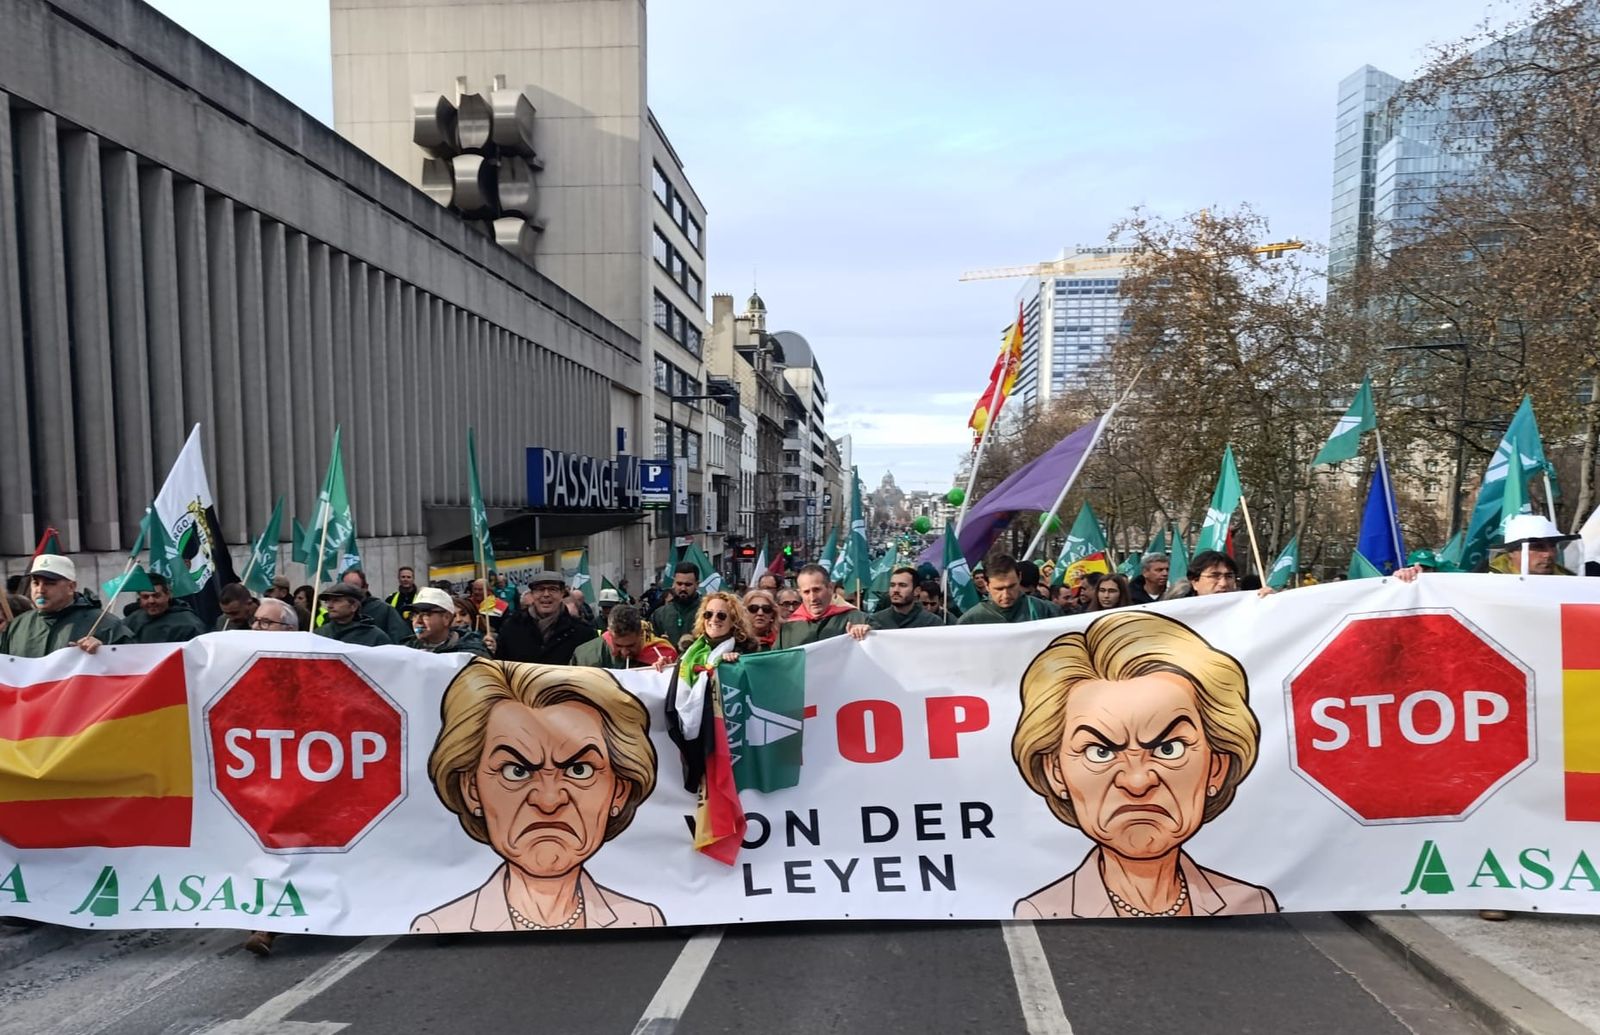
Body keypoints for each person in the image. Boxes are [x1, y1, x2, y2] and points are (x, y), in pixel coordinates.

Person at [1011, 609, 1277, 918]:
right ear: (1055, 771)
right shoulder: (1043, 911)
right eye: (1101, 752)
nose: (1137, 782)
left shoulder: (1253, 903)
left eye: (1168, 748)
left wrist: (1269, 615)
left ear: (1216, 765)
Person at [412, 660, 664, 932]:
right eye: (516, 771)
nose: (548, 801)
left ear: (620, 790)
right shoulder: (437, 925)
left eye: (579, 770)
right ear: (471, 789)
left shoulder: (643, 917)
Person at [240, 597, 302, 958]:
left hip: (302, 770)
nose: (256, 628)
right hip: (254, 771)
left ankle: (268, 925)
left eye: (266, 623)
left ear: (290, 632)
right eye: (256, 622)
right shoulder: (232, 661)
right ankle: (265, 922)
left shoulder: (315, 664)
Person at [0, 555, 129, 656]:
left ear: (71, 587)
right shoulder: (17, 626)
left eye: (50, 583)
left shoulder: (106, 624)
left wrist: (106, 652)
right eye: (35, 583)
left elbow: (131, 669)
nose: (40, 590)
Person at [495, 570, 596, 665]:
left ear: (562, 594)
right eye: (540, 589)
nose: (546, 594)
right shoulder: (512, 627)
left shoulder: (582, 632)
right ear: (532, 594)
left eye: (553, 589)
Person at [777, 564, 869, 648]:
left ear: (830, 588)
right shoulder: (788, 628)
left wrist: (868, 634)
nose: (813, 598)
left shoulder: (856, 619)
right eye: (806, 592)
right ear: (800, 593)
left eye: (817, 590)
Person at [572, 604, 679, 670]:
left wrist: (668, 671)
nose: (624, 652)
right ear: (609, 632)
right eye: (618, 645)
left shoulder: (662, 653)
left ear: (641, 633)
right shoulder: (585, 656)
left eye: (631, 645)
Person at [958, 555, 1056, 624]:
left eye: (1011, 586)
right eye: (999, 589)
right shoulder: (971, 621)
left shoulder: (1045, 611)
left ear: (1019, 577)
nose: (1006, 594)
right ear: (987, 585)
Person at [403, 587, 490, 656]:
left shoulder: (470, 654)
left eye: (426, 614)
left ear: (446, 618)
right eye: (414, 615)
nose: (418, 621)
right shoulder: (405, 651)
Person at [124, 573, 210, 643]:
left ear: (168, 595)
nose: (151, 601)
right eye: (145, 597)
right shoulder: (133, 620)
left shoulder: (189, 622)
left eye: (156, 596)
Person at [341, 568, 411, 642]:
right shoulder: (337, 613)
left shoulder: (384, 610)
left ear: (365, 587)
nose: (349, 591)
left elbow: (402, 640)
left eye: (354, 587)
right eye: (346, 587)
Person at [315, 582, 393, 646]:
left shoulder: (375, 637)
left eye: (336, 600)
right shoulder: (319, 634)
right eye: (328, 601)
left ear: (354, 607)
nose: (329, 606)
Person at [869, 567, 941, 630]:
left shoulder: (932, 622)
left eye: (903, 585)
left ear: (917, 591)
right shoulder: (877, 621)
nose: (896, 590)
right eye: (892, 585)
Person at [651, 563, 702, 648]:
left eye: (688, 584)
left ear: (697, 584)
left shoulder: (708, 612)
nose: (683, 588)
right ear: (674, 583)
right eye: (679, 584)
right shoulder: (660, 614)